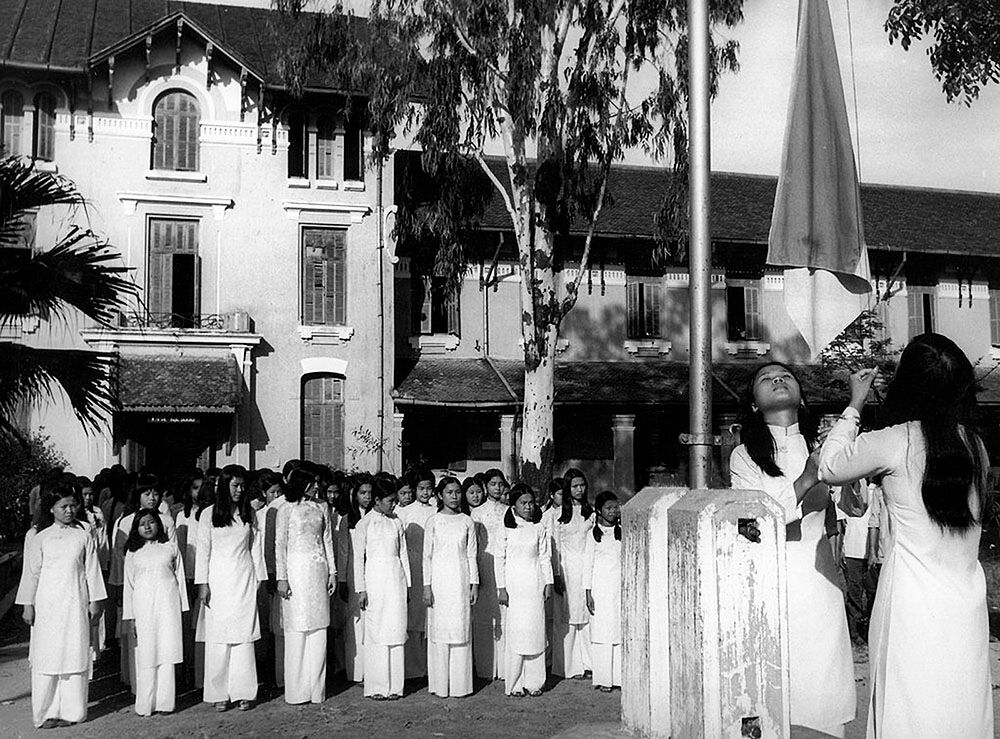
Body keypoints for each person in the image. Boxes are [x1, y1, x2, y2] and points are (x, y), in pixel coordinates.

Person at [818, 335, 994, 738]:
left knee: (908, 704)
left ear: (906, 385)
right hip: (965, 602)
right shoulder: (976, 447)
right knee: (961, 704)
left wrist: (855, 404)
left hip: (911, 599)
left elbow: (829, 467)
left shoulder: (893, 441)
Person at [729, 362, 855, 737]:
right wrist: (806, 479)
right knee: (775, 701)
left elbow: (854, 508)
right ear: (754, 404)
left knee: (823, 702)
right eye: (765, 379)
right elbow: (755, 521)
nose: (777, 379)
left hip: (819, 585)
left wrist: (852, 475)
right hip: (770, 585)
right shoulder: (744, 456)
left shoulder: (821, 448)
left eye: (785, 376)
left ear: (801, 399)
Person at [16, 482, 107, 729]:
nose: (69, 511)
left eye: (72, 505)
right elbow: (31, 573)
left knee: (73, 653)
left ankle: (72, 711)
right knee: (47, 655)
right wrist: (27, 605)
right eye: (63, 506)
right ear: (51, 508)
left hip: (75, 602)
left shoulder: (83, 536)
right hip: (47, 605)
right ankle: (45, 712)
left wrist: (95, 601)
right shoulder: (41, 538)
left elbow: (92, 571)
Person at [195, 464, 267, 712]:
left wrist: (259, 578)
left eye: (242, 485)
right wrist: (203, 584)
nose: (239, 490)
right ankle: (219, 693)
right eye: (235, 485)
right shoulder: (209, 514)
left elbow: (256, 547)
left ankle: (244, 691)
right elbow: (203, 551)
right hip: (218, 580)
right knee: (219, 637)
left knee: (243, 636)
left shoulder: (249, 513)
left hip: (244, 577)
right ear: (225, 486)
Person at [275, 468, 337, 705]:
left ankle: (316, 690)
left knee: (319, 627)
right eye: (312, 483)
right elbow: (280, 544)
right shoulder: (286, 509)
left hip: (318, 571)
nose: (317, 487)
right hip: (296, 571)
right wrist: (282, 577)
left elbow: (327, 540)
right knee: (297, 627)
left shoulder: (322, 507)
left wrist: (333, 573)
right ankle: (296, 691)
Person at [110, 473, 177, 693]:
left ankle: (163, 689)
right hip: (137, 587)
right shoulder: (126, 521)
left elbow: (173, 555)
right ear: (138, 494)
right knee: (137, 639)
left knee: (163, 640)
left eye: (156, 493)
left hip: (162, 586)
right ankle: (136, 683)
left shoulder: (166, 520)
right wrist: (120, 586)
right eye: (147, 493)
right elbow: (120, 558)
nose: (152, 498)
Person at [122, 510, 189, 716]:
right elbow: (129, 587)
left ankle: (165, 703)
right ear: (136, 528)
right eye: (142, 524)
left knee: (167, 651)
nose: (147, 527)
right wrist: (131, 617)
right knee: (147, 652)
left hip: (168, 606)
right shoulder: (133, 553)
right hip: (143, 608)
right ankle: (145, 704)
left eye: (151, 522)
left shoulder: (170, 548)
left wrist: (182, 608)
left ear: (158, 524)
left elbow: (180, 579)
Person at [424, 476, 479, 698]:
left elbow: (471, 554)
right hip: (439, 582)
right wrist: (426, 586)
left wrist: (474, 584)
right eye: (449, 492)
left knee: (460, 628)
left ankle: (460, 686)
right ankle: (440, 685)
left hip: (460, 580)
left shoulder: (467, 521)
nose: (454, 496)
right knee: (440, 630)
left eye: (457, 492)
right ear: (440, 495)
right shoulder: (433, 521)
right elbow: (427, 557)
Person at [496, 484, 552, 697]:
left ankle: (535, 682)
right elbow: (499, 559)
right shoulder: (506, 528)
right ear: (514, 506)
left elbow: (544, 556)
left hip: (534, 584)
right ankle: (515, 683)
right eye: (523, 503)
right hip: (514, 587)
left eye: (531, 503)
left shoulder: (539, 527)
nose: (528, 507)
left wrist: (548, 583)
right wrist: (501, 588)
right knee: (517, 633)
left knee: (535, 632)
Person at [357, 478, 411, 700]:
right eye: (390, 501)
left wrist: (408, 585)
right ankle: (377, 686)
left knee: (395, 628)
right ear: (377, 500)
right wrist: (361, 588)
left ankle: (395, 686)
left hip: (396, 580)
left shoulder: (397, 522)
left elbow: (403, 554)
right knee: (377, 630)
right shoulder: (365, 524)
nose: (394, 504)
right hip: (375, 581)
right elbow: (359, 559)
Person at [552, 468, 593, 679]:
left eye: (582, 485)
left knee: (586, 616)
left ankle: (588, 663)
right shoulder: (558, 514)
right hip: (566, 568)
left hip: (586, 567)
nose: (579, 490)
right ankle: (569, 666)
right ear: (568, 488)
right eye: (575, 486)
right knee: (567, 617)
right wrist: (556, 574)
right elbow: (555, 547)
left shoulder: (591, 512)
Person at [396, 468, 435, 680]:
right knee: (413, 617)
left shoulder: (437, 511)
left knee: (429, 617)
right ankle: (412, 668)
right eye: (421, 488)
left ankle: (430, 667)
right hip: (411, 567)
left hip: (432, 568)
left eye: (429, 488)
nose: (425, 493)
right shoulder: (404, 512)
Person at [469, 470, 507, 680]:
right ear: (486, 487)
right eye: (493, 484)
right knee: (485, 614)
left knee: (503, 612)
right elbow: (473, 544)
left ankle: (504, 667)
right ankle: (485, 667)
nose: (497, 488)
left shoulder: (509, 510)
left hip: (504, 564)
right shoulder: (477, 512)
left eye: (500, 484)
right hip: (484, 562)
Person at [584, 491, 622, 692]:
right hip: (600, 590)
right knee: (602, 632)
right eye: (608, 508)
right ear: (599, 510)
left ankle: (619, 678)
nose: (613, 511)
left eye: (615, 507)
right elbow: (587, 565)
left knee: (617, 631)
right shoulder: (592, 535)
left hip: (618, 589)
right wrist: (587, 592)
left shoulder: (622, 532)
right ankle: (603, 678)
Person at [338, 474, 374, 683]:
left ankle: (372, 670)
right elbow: (344, 552)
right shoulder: (347, 519)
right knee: (355, 618)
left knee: (372, 618)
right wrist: (342, 580)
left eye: (370, 493)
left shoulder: (377, 517)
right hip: (353, 573)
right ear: (354, 495)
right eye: (363, 493)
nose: (367, 497)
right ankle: (356, 670)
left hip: (374, 571)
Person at [175, 470, 208, 688]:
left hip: (206, 576)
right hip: (188, 575)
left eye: (202, 488)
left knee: (203, 624)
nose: (199, 492)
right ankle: (189, 669)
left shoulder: (211, 513)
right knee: (189, 626)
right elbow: (179, 548)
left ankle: (203, 670)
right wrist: (185, 577)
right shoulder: (182, 516)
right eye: (195, 488)